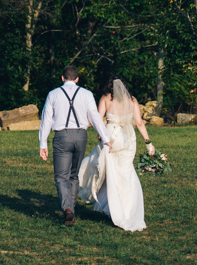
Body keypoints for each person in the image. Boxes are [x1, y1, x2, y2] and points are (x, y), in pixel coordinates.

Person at [77, 75, 155, 231]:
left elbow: (98, 120)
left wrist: (101, 134)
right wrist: (148, 142)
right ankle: (128, 211)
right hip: (127, 138)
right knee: (126, 173)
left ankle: (110, 207)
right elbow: (139, 122)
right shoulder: (132, 101)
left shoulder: (105, 99)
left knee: (110, 173)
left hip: (111, 137)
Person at [38, 65, 111, 226]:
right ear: (77, 79)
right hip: (81, 136)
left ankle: (68, 210)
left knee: (60, 176)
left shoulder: (53, 94)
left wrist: (43, 143)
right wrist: (106, 138)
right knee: (73, 175)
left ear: (62, 78)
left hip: (62, 136)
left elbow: (47, 120)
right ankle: (71, 208)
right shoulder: (86, 94)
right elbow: (95, 117)